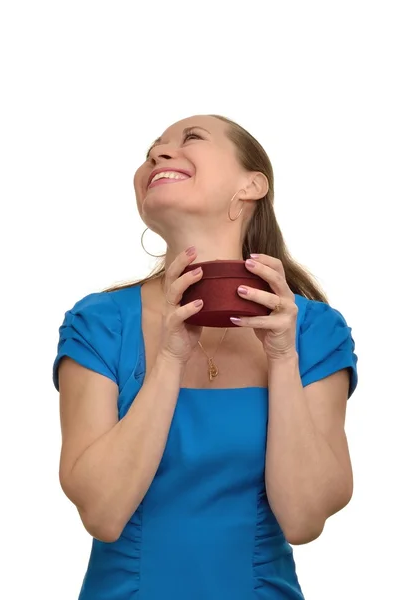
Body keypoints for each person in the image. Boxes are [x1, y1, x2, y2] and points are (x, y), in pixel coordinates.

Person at [52, 114, 358, 599]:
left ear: (251, 184)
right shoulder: (100, 323)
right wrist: (169, 359)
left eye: (190, 138)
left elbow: (303, 519)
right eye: (153, 148)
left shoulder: (315, 332)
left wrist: (283, 359)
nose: (159, 153)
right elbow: (103, 513)